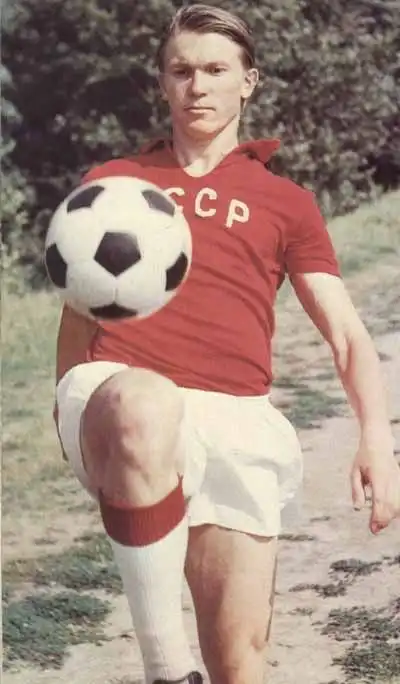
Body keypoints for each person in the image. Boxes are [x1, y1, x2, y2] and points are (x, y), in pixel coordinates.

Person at [53, 4, 400, 684]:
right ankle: (166, 669)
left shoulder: (286, 202)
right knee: (144, 403)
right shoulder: (114, 182)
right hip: (121, 393)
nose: (197, 86)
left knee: (240, 661)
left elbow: (345, 334)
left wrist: (377, 441)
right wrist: (68, 410)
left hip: (234, 414)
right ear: (162, 82)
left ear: (249, 82)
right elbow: (76, 311)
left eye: (215, 70)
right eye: (181, 71)